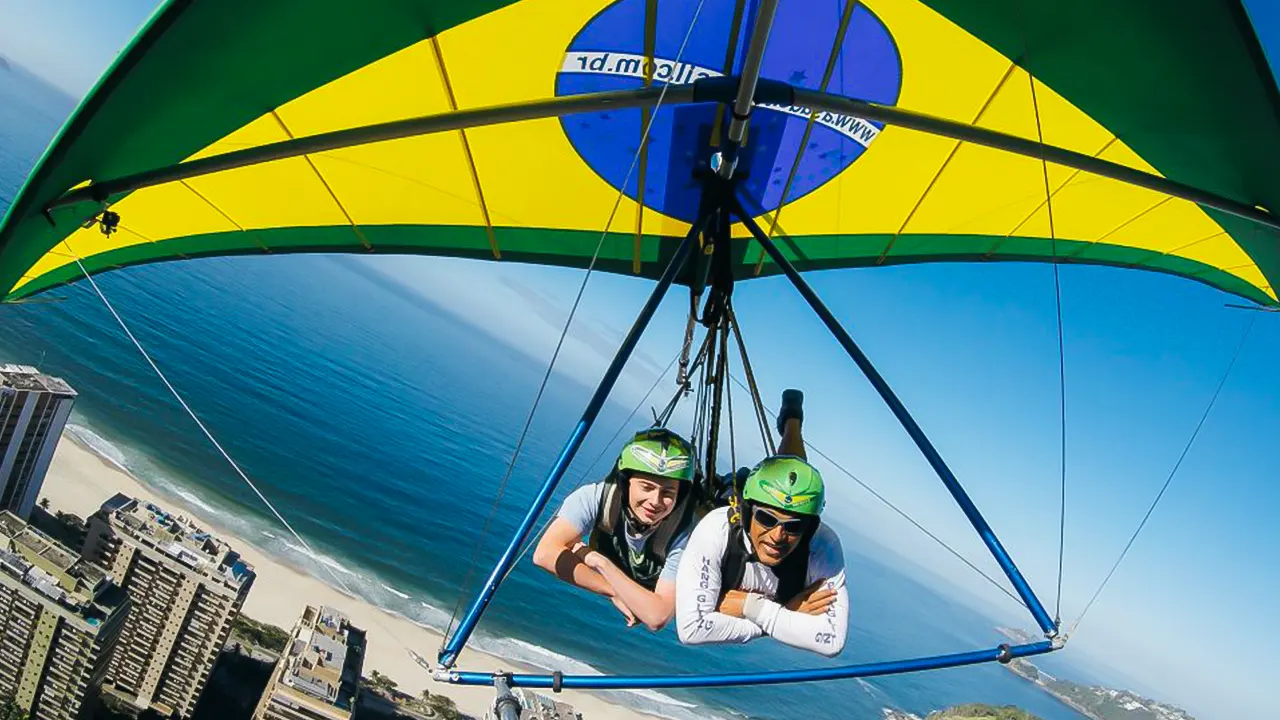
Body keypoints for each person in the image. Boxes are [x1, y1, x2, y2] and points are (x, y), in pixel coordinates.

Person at [675, 390, 848, 656]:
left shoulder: (823, 545)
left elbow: (831, 640)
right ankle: (792, 423)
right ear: (747, 513)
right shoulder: (716, 528)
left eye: (793, 526)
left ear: (810, 530)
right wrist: (785, 612)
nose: (778, 535)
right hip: (726, 503)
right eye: (766, 519)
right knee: (787, 474)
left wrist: (752, 607)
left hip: (760, 582)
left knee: (794, 481)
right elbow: (691, 628)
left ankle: (792, 421)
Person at [533, 427, 697, 631]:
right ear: (626, 483)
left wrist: (599, 562)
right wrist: (612, 590)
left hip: (654, 583)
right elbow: (544, 554)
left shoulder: (684, 533)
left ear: (679, 495)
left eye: (667, 493)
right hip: (639, 584)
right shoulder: (596, 498)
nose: (655, 501)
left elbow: (657, 616)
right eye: (646, 487)